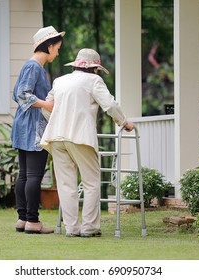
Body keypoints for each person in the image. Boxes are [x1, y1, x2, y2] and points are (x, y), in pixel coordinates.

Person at [40, 48, 135, 237]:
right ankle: (90, 228)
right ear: (94, 68)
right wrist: (124, 122)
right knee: (91, 182)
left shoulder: (60, 81)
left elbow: (47, 106)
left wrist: (57, 120)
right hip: (80, 137)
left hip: (57, 137)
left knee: (66, 185)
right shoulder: (93, 81)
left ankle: (72, 229)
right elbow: (109, 104)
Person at [11, 26, 65, 234]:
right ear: (49, 46)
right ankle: (32, 222)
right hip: (33, 126)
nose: (58, 53)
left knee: (25, 175)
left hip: (24, 124)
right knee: (33, 175)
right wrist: (47, 105)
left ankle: (23, 219)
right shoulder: (34, 67)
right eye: (57, 48)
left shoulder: (32, 67)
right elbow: (22, 94)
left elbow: (17, 94)